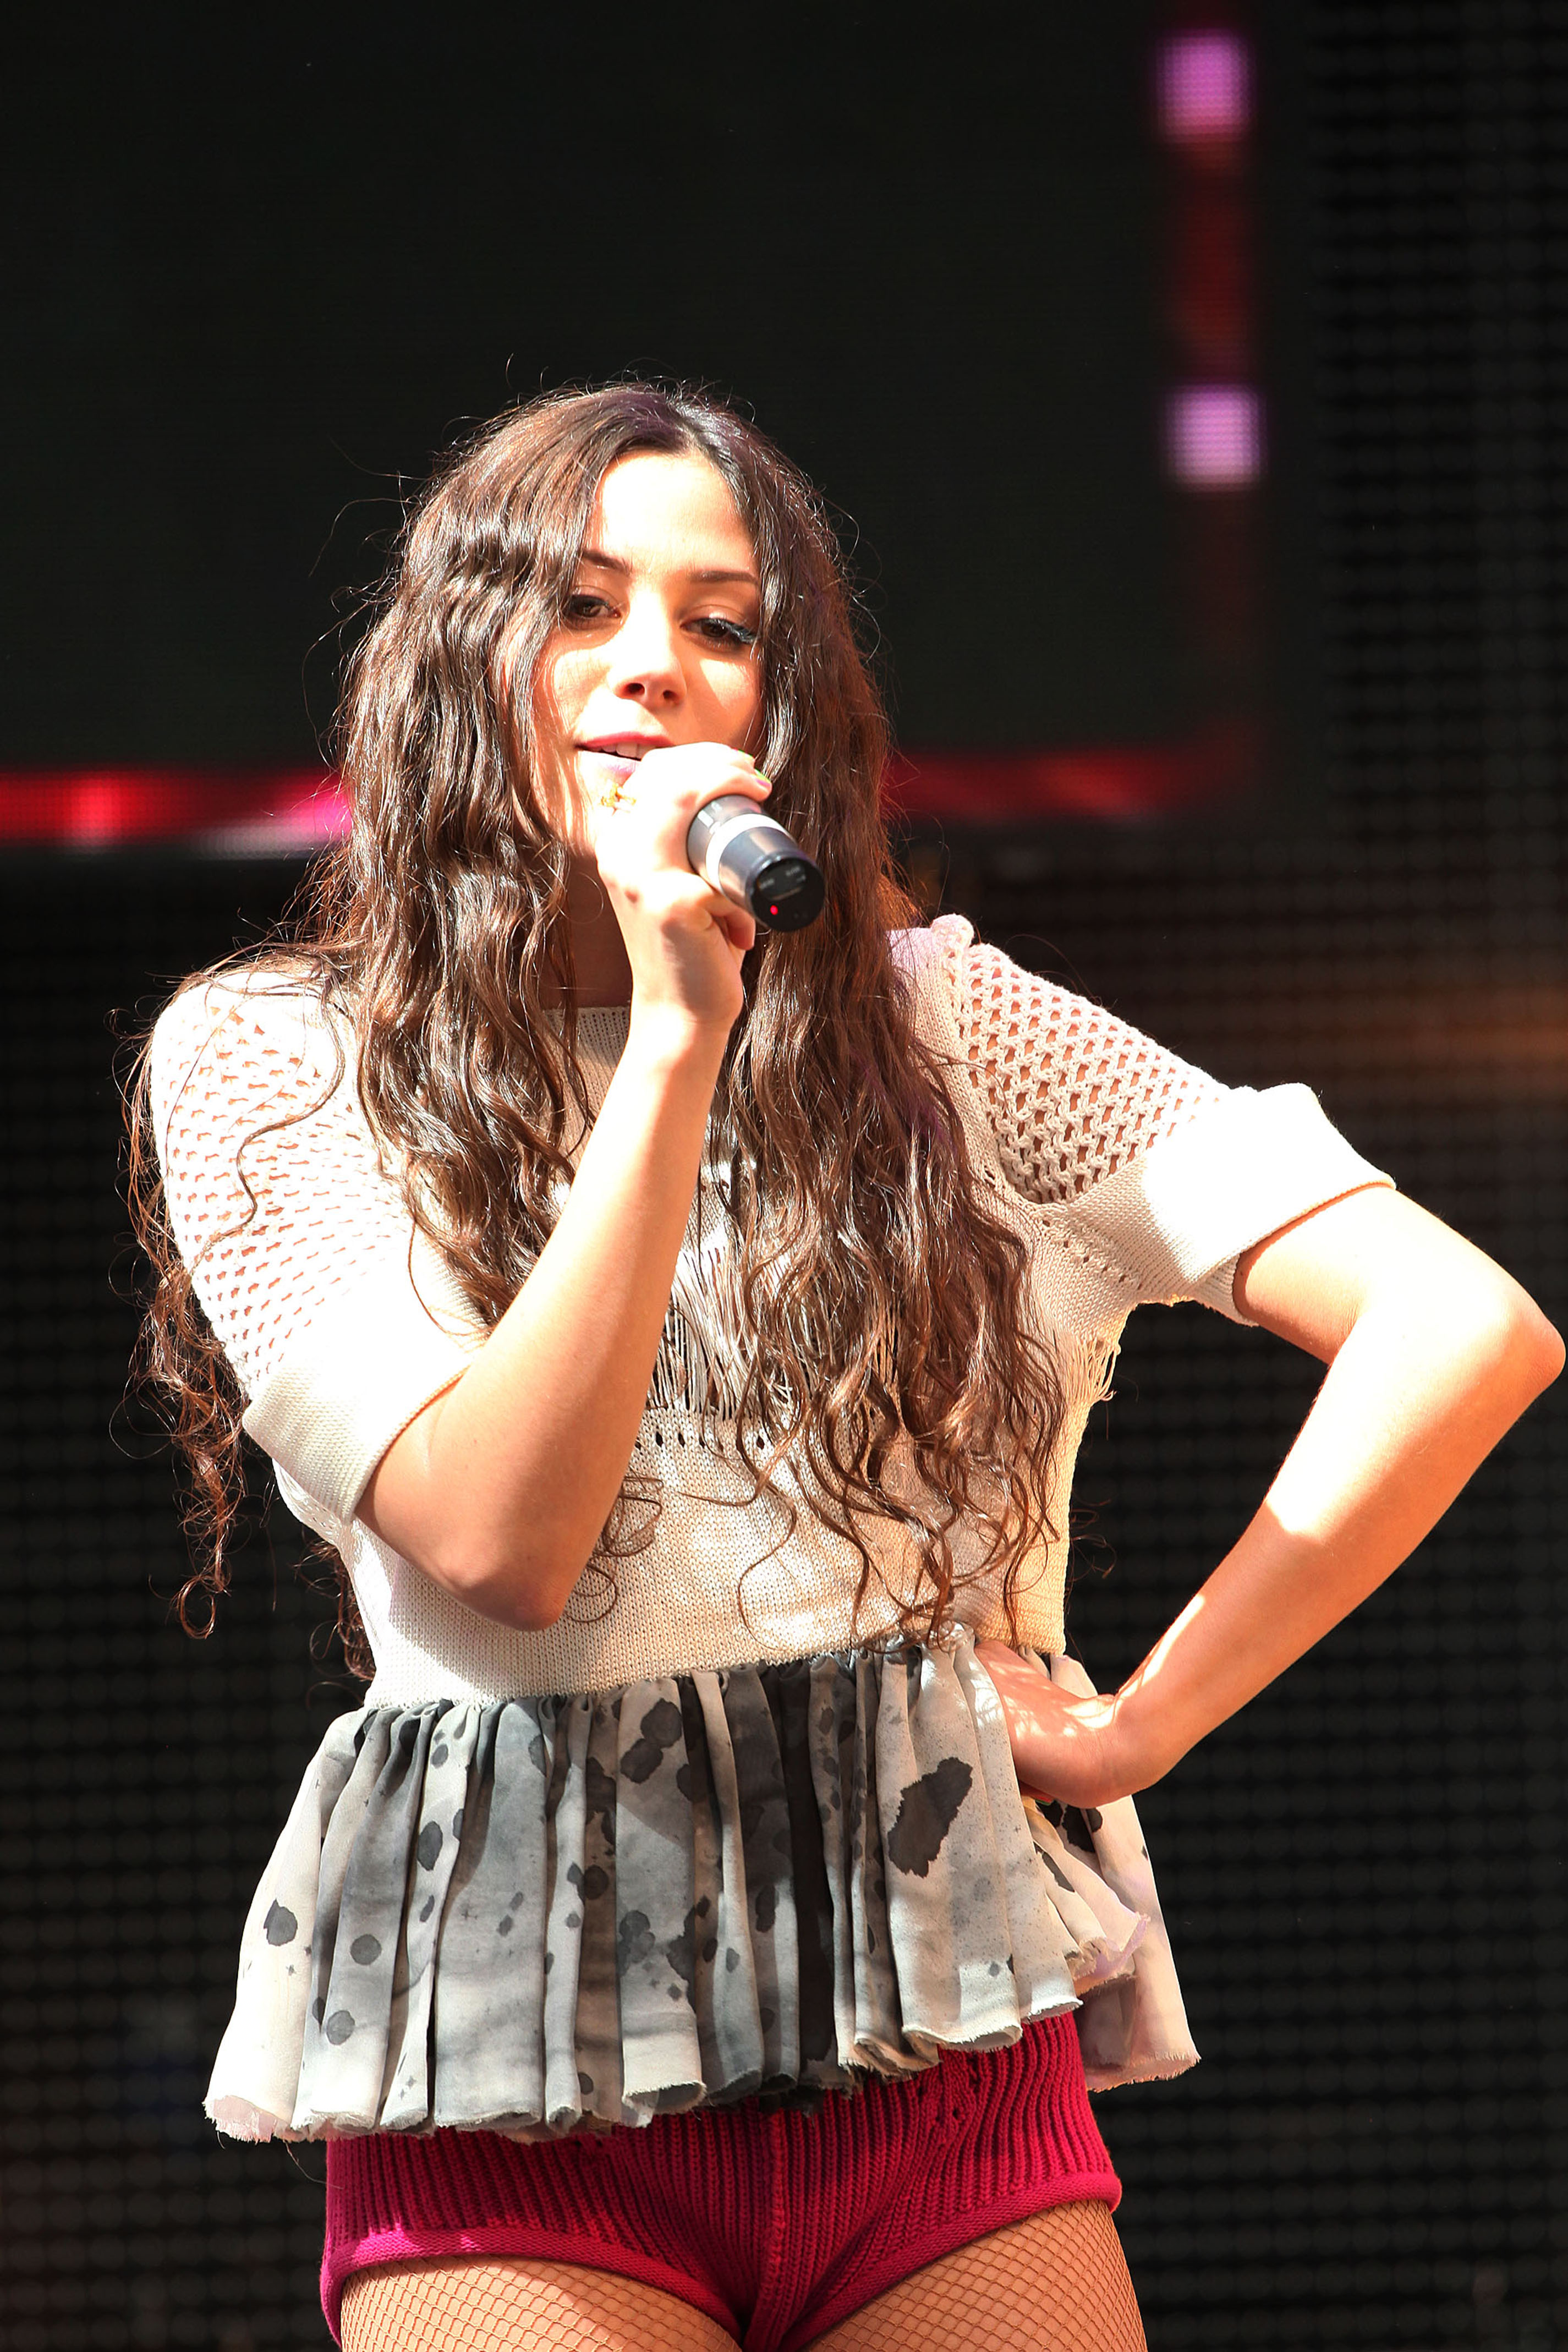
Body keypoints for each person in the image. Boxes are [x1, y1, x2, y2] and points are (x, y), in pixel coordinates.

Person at [130, 385, 1561, 2352]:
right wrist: (673, 1042)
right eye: (578, 604)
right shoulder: (278, 1060)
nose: (652, 662)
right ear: (459, 659)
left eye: (720, 623)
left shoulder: (942, 1030)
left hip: (930, 2038)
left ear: (780, 702)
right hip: (520, 2078)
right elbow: (498, 1540)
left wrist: (1141, 1723)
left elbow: (1460, 1321)